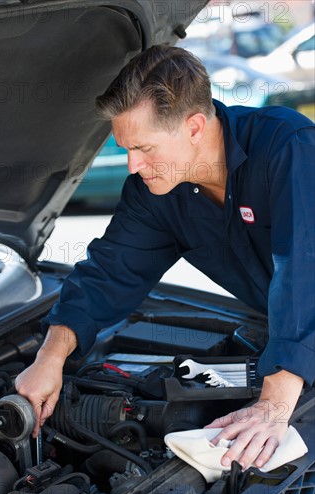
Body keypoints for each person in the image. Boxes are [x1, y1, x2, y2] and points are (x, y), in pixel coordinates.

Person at [16, 45, 314, 470]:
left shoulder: (288, 149)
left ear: (194, 127)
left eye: (145, 148)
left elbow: (304, 273)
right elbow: (108, 272)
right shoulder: (157, 193)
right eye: (125, 149)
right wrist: (51, 358)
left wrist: (272, 405)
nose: (133, 165)